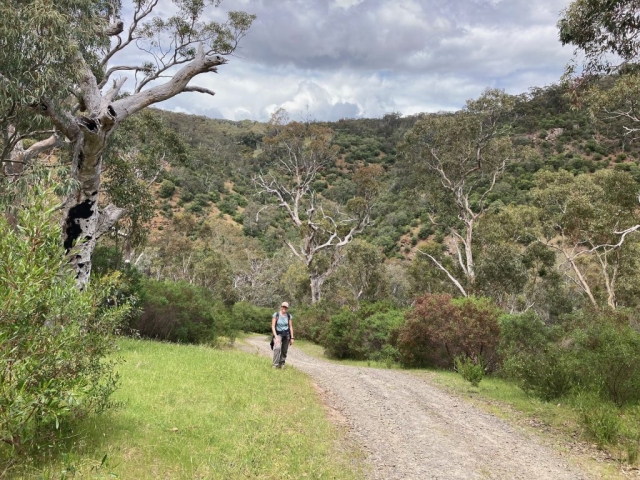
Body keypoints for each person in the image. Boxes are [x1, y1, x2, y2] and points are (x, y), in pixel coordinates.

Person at [272, 301, 294, 368]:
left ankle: (282, 364)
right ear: (281, 307)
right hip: (278, 334)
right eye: (283, 306)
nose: (284, 308)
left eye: (286, 307)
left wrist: (292, 338)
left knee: (284, 350)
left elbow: (290, 326)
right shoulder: (276, 315)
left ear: (287, 308)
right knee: (277, 347)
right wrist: (276, 337)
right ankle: (275, 364)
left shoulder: (288, 316)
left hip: (286, 334)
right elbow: (273, 326)